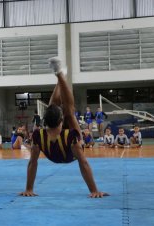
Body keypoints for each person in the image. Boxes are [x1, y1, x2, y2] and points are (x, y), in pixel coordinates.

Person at [19, 57, 108, 198]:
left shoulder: (38, 134)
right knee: (69, 112)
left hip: (57, 152)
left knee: (55, 109)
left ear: (44, 122)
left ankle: (60, 75)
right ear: (61, 122)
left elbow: (33, 162)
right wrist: (94, 190)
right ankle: (60, 74)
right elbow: (83, 162)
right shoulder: (72, 135)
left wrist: (29, 188)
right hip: (69, 152)